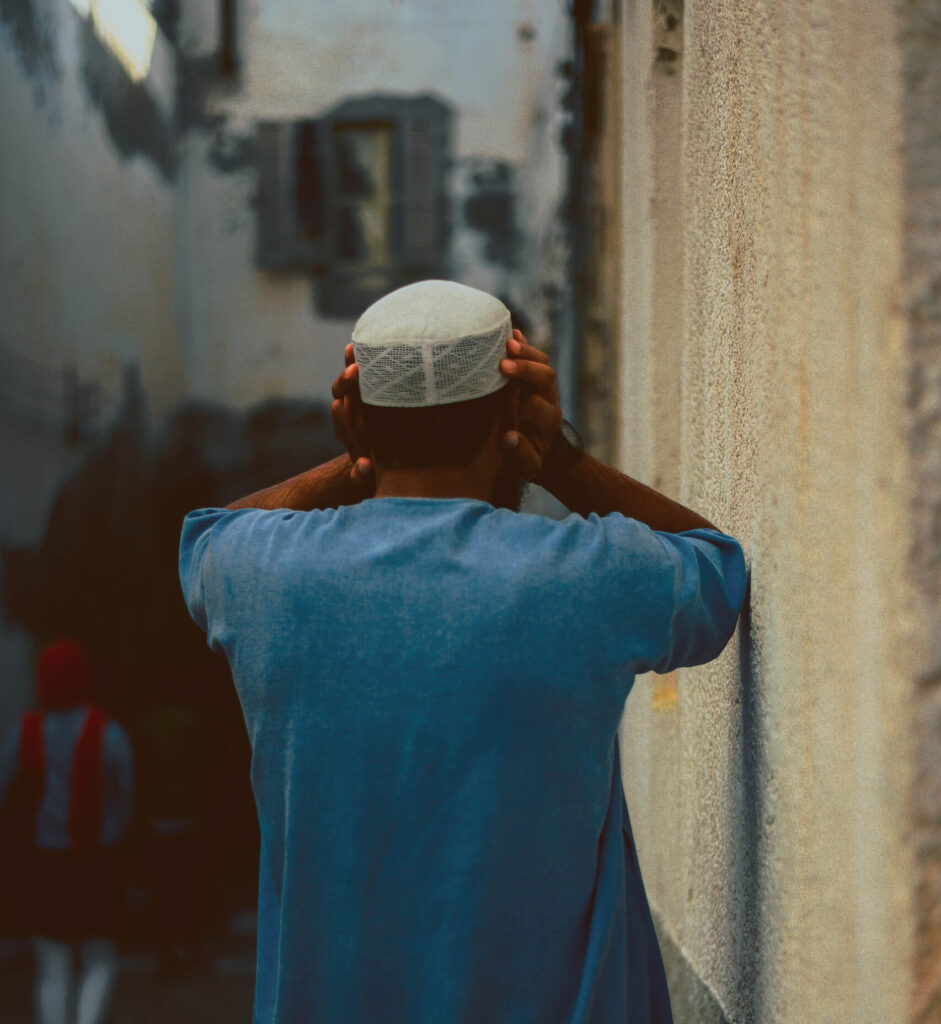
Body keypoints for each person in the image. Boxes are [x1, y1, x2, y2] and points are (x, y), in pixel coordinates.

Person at [178, 280, 746, 1023]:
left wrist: (357, 462)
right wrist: (556, 460)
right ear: (513, 411)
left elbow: (205, 534)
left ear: (355, 418)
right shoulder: (585, 575)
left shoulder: (261, 573)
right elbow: (715, 564)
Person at [0, 639, 135, 1024]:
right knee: (100, 957)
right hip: (97, 860)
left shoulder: (24, 731)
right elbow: (125, 797)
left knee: (53, 966)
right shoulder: (108, 733)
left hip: (47, 862)